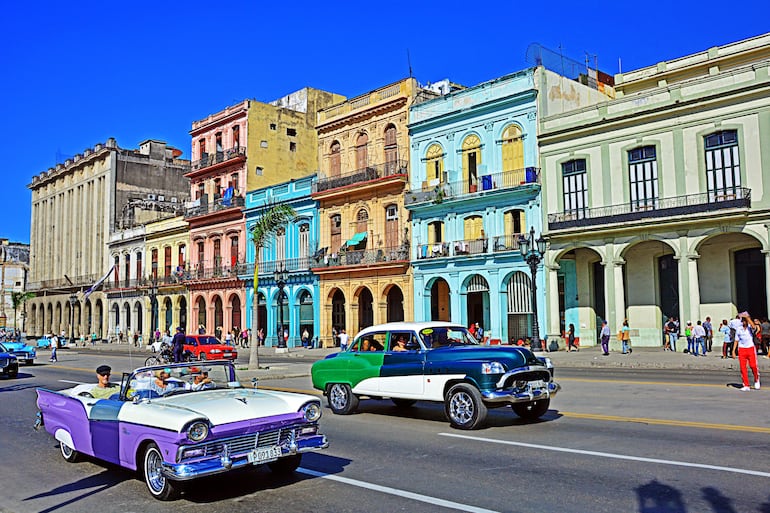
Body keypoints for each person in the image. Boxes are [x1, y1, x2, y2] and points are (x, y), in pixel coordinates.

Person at [732, 313, 760, 391]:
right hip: (742, 349)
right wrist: (733, 351)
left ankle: (756, 379)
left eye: (745, 320)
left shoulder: (750, 327)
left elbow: (754, 327)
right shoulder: (739, 329)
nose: (744, 322)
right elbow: (736, 340)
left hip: (750, 348)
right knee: (743, 368)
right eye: (743, 320)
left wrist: (747, 317)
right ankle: (746, 385)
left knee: (753, 366)